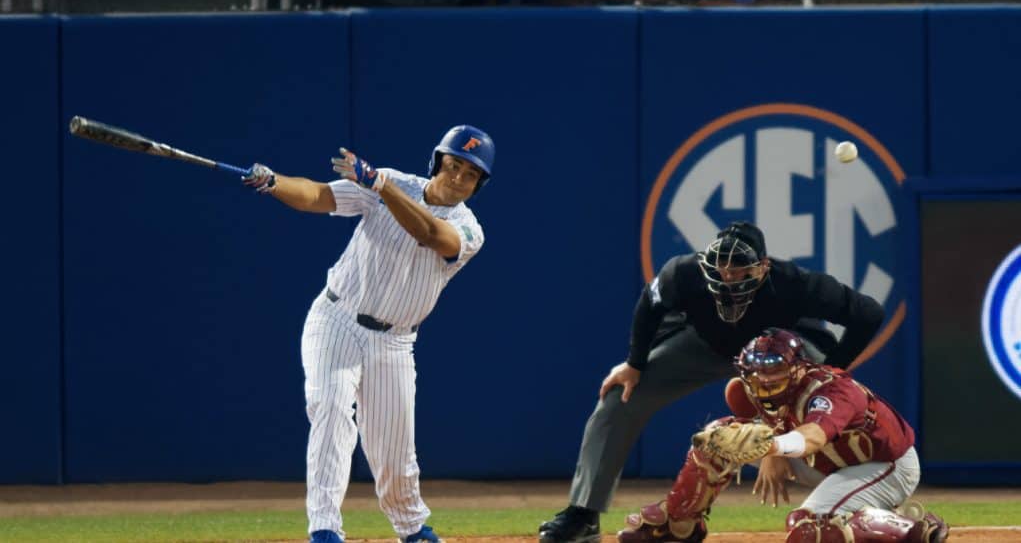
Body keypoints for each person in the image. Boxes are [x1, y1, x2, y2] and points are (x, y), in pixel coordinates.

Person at [538, 221, 886, 543]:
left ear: (763, 268)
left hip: (778, 353)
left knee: (829, 408)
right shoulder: (684, 273)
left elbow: (868, 312)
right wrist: (635, 363)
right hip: (705, 344)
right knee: (619, 398)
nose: (729, 276)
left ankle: (865, 505)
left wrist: (832, 374)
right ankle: (583, 516)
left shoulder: (794, 283)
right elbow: (649, 304)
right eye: (721, 267)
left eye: (740, 269)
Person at [241, 125, 495, 543]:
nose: (458, 178)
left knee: (394, 450)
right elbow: (319, 195)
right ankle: (324, 528)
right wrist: (274, 182)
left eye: (470, 174)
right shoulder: (391, 182)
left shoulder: (470, 230)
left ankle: (411, 526)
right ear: (438, 162)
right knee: (331, 408)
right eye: (453, 166)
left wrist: (379, 184)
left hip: (395, 341)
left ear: (478, 184)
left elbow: (432, 234)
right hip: (337, 318)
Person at [615, 328, 949, 542]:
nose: (765, 381)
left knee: (807, 530)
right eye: (758, 374)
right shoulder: (763, 393)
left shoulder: (832, 391)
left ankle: (909, 530)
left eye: (774, 371)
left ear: (799, 368)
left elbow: (815, 435)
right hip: (828, 463)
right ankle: (679, 525)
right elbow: (780, 424)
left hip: (883, 465)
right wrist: (772, 453)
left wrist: (773, 447)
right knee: (717, 437)